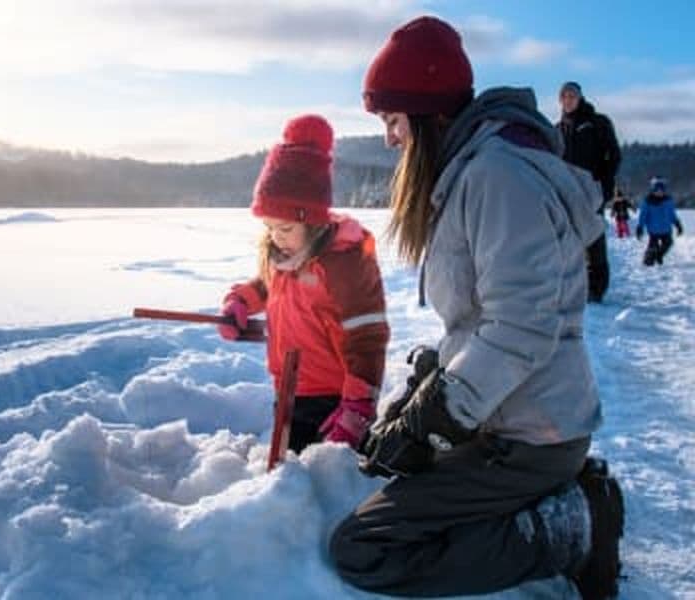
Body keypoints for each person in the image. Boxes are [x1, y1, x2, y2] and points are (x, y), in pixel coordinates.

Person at [328, 16, 624, 600]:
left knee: (366, 548)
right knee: (387, 468)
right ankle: (552, 500)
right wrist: (429, 383)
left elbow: (521, 325)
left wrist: (437, 415)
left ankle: (575, 528)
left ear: (429, 115)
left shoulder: (496, 176)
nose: (389, 138)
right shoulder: (470, 173)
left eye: (392, 120)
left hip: (531, 436)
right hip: (506, 418)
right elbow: (483, 319)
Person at [218, 114, 390, 454]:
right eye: (269, 228)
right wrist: (240, 302)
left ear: (312, 222)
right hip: (288, 389)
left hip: (334, 400)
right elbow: (268, 287)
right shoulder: (285, 258)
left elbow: (367, 338)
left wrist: (357, 408)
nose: (275, 238)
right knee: (286, 477)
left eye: (284, 229)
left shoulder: (344, 264)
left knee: (327, 483)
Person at [557, 81, 622, 303]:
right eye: (564, 96)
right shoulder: (557, 129)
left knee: (594, 238)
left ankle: (596, 289)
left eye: (572, 96)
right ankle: (572, 285)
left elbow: (613, 156)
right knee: (568, 240)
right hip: (566, 192)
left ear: (580, 98)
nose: (568, 100)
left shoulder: (598, 123)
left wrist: (603, 184)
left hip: (592, 190)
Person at [636, 176, 684, 266]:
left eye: (661, 190)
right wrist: (640, 227)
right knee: (652, 248)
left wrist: (678, 224)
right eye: (656, 190)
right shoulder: (648, 201)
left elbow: (672, 214)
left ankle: (659, 255)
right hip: (653, 230)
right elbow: (643, 216)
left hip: (666, 230)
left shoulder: (668, 201)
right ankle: (648, 260)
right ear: (653, 190)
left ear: (664, 190)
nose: (659, 192)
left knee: (668, 243)